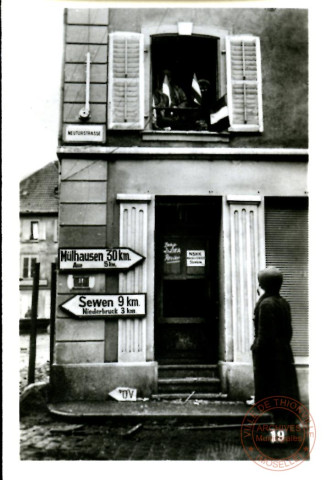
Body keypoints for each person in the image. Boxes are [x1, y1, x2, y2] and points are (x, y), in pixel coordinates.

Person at [251, 266, 300, 408]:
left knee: (270, 394)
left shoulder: (266, 304)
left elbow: (264, 335)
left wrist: (257, 348)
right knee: (283, 393)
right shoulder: (283, 302)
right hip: (283, 352)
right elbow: (288, 331)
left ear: (264, 284)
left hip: (269, 356)